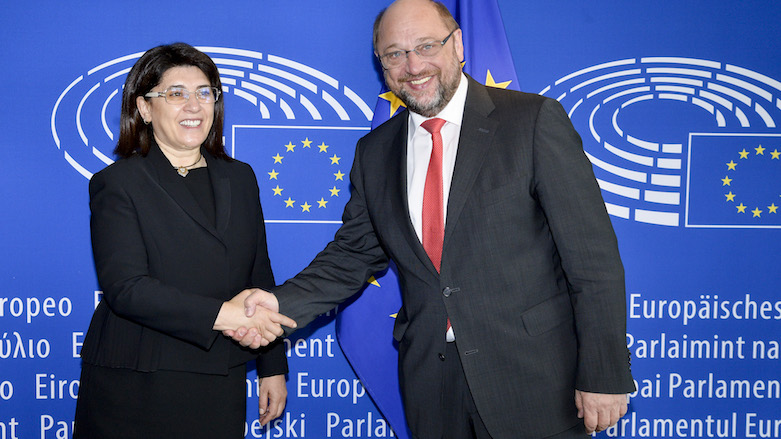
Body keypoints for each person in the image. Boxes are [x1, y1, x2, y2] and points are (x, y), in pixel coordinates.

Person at [230, 1, 635, 437]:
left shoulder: (531, 121)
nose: (412, 65)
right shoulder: (375, 152)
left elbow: (592, 260)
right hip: (431, 388)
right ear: (381, 64)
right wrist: (277, 303)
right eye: (394, 54)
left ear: (457, 43)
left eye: (425, 46)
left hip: (534, 379)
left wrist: (604, 373)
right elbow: (352, 256)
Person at [73, 43, 296, 439]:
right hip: (137, 383)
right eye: (176, 94)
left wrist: (272, 366)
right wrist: (225, 316)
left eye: (204, 92)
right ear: (144, 109)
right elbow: (126, 288)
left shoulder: (240, 177)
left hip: (218, 377)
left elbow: (258, 272)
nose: (193, 106)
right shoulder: (119, 183)